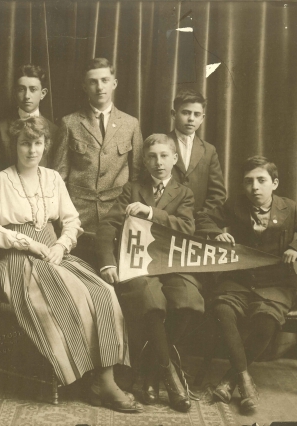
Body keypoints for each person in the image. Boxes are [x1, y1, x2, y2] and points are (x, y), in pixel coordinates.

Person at [0, 117, 142, 413]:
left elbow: (71, 220)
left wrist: (60, 244)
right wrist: (29, 244)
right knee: (72, 294)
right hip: (18, 259)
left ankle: (102, 377)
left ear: (46, 146)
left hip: (53, 252)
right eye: (25, 143)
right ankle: (98, 381)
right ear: (15, 145)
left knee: (103, 291)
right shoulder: (1, 181)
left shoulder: (52, 178)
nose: (31, 150)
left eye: (37, 143)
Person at [96, 134, 203, 412]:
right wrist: (108, 262)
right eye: (152, 157)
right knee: (151, 301)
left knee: (190, 302)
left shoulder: (183, 193)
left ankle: (150, 371)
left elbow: (187, 229)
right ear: (144, 160)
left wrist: (151, 212)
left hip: (174, 266)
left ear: (175, 159)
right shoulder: (132, 189)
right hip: (139, 266)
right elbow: (108, 226)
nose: (158, 163)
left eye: (164, 156)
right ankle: (170, 378)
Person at [195, 155, 297, 411]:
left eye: (261, 180)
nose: (254, 187)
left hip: (276, 283)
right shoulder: (234, 205)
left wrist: (296, 246)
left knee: (266, 324)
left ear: (274, 183)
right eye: (248, 182)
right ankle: (245, 379)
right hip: (238, 280)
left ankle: (228, 381)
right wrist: (216, 232)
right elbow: (203, 218)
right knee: (222, 311)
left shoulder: (290, 208)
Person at [52, 58, 142, 264]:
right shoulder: (70, 123)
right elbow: (57, 177)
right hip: (79, 214)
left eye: (105, 80)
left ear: (114, 83)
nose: (99, 87)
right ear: (85, 86)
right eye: (93, 82)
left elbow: (137, 175)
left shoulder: (130, 124)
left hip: (116, 214)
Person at [0, 64, 58, 184]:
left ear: (43, 93)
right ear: (14, 93)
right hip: (9, 194)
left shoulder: (53, 130)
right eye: (21, 89)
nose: (27, 96)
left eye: (33, 89)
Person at [167, 89, 226, 214]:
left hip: (197, 223)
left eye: (196, 114)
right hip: (164, 221)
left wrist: (200, 219)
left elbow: (217, 194)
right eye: (186, 113)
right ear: (173, 114)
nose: (191, 119)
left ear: (202, 118)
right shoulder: (160, 144)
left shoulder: (209, 150)